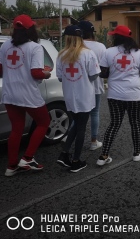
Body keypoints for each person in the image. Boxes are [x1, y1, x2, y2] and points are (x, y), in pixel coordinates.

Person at [0, 14, 51, 176]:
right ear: (30, 29)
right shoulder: (35, 47)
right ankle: (27, 158)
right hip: (28, 94)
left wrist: (15, 72)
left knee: (16, 129)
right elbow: (36, 73)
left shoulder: (6, 45)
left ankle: (11, 166)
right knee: (44, 121)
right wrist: (46, 73)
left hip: (10, 93)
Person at [96, 25, 140, 166]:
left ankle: (103, 156)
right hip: (134, 95)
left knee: (114, 124)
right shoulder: (139, 53)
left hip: (115, 95)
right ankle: (137, 153)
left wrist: (115, 72)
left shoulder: (108, 52)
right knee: (135, 124)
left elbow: (103, 74)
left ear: (116, 37)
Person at [56, 25, 100, 173]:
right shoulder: (88, 54)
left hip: (69, 96)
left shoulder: (61, 55)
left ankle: (64, 154)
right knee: (81, 127)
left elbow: (61, 78)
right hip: (85, 97)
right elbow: (94, 75)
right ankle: (76, 161)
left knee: (76, 125)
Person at [78, 20, 106, 151]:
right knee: (94, 113)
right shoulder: (101, 46)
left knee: (77, 114)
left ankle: (73, 138)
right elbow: (105, 66)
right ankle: (93, 141)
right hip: (96, 85)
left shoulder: (76, 45)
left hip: (79, 85)